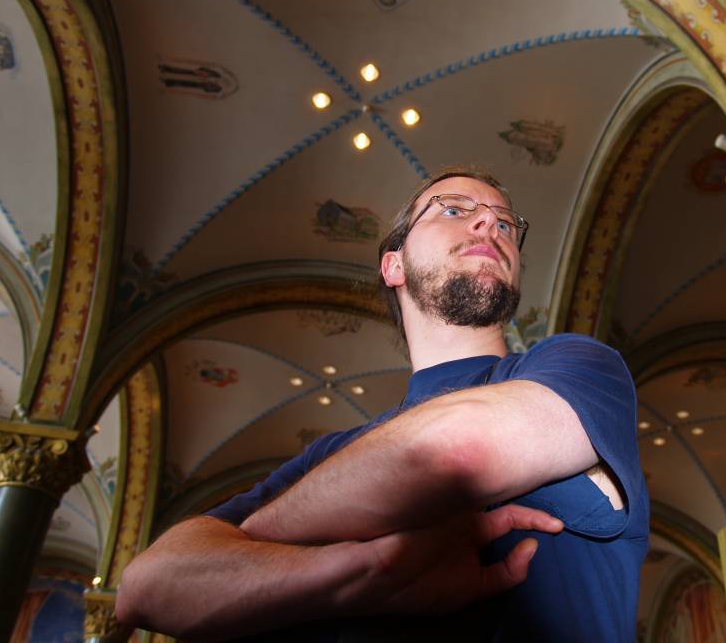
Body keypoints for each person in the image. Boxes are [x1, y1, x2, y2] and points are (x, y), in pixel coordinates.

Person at [116, 167, 649, 641]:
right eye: (454, 210)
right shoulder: (329, 453)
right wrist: (359, 571)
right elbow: (145, 588)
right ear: (394, 265)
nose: (491, 223)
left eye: (506, 224)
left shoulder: (577, 366)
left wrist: (251, 539)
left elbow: (452, 452)